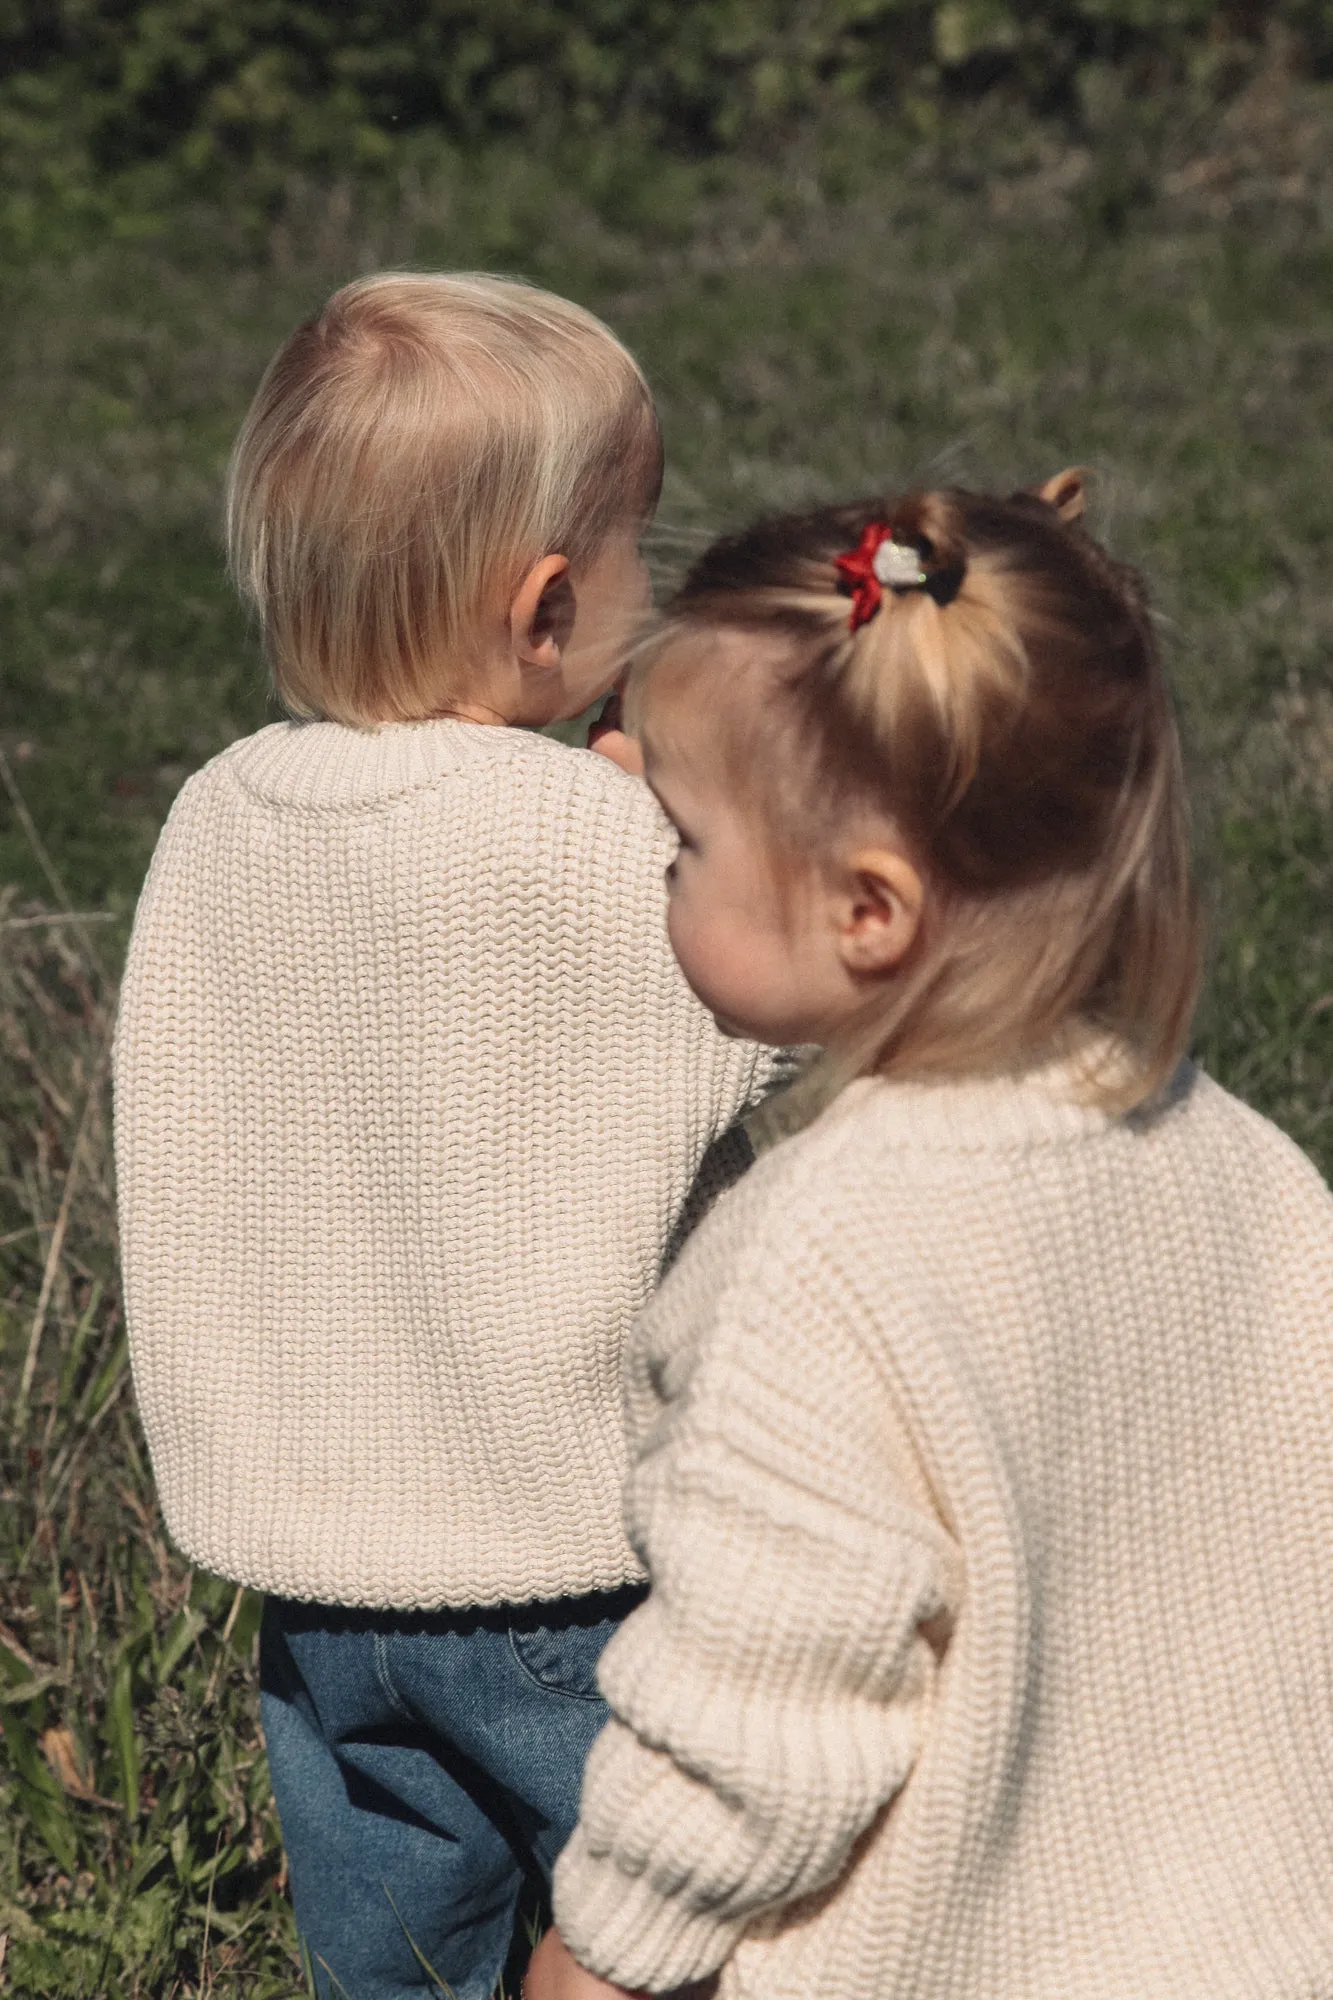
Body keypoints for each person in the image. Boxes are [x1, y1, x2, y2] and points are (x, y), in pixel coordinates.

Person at [528, 475, 1333, 2000]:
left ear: (870, 913)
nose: (659, 865)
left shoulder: (812, 1261)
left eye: (685, 837)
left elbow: (757, 1707)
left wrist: (605, 1951)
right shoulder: (1244, 1159)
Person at [113, 272, 790, 2000]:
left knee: (396, 1955)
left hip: (312, 1589)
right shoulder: (592, 839)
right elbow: (775, 1033)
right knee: (671, 1943)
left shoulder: (214, 818)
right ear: (547, 607)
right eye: (642, 539)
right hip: (564, 1560)